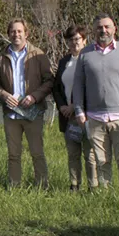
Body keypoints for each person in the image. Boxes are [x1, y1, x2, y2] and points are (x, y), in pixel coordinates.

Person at [73, 13, 119, 196]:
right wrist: (79, 112)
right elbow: (78, 85)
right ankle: (106, 200)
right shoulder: (85, 54)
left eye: (107, 27)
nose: (103, 30)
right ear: (94, 30)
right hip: (95, 119)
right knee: (102, 163)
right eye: (99, 27)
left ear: (114, 29)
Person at [0, 18, 54, 188]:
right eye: (13, 31)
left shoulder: (38, 55)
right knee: (13, 154)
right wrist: (4, 95)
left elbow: (49, 81)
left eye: (19, 31)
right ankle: (15, 186)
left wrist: (34, 97)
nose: (16, 34)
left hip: (33, 111)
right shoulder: (0, 58)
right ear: (8, 34)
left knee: (37, 152)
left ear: (26, 33)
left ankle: (42, 186)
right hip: (11, 114)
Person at [52, 25, 97, 192]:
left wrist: (75, 106)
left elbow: (92, 87)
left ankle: (93, 187)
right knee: (72, 154)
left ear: (84, 40)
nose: (74, 42)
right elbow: (56, 88)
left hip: (87, 114)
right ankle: (74, 185)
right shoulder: (64, 62)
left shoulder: (91, 60)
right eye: (70, 39)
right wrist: (62, 106)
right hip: (68, 116)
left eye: (77, 38)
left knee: (90, 154)